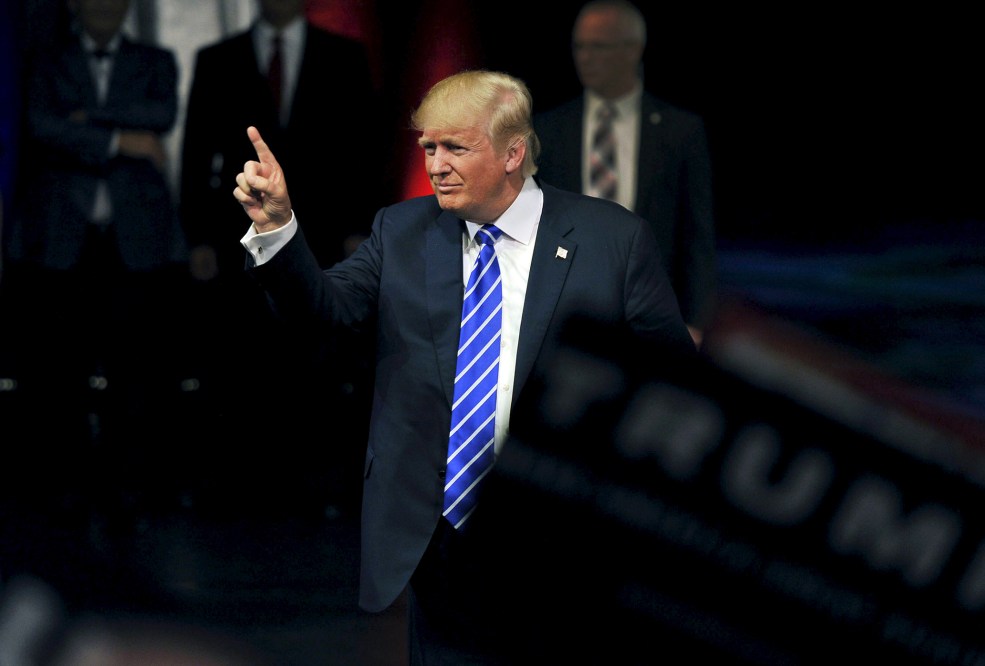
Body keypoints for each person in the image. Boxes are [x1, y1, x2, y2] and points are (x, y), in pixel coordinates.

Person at [232, 69, 695, 663]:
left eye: (456, 147)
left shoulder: (613, 240)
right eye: (429, 147)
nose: (436, 165)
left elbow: (675, 387)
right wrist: (276, 229)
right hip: (438, 535)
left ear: (513, 153)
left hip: (560, 538)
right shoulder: (400, 230)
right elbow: (326, 310)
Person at [179, 0, 382, 519]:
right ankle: (244, 482)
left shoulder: (344, 55)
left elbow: (364, 147)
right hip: (237, 234)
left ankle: (316, 481)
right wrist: (197, 237)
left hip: (326, 232)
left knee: (316, 356)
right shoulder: (217, 58)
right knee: (242, 356)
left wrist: (361, 230)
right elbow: (197, 152)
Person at [2, 0, 186, 525]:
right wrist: (121, 139)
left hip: (136, 238)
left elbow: (161, 115)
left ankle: (128, 485)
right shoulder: (45, 59)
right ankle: (65, 485)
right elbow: (40, 124)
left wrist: (84, 121)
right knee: (59, 370)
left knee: (134, 369)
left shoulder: (155, 59)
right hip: (61, 236)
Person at [533, 0, 717, 346]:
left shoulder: (680, 132)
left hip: (653, 314)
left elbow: (697, 236)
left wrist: (694, 321)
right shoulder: (548, 130)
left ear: (633, 49)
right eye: (579, 47)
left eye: (598, 47)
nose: (585, 57)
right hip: (565, 314)